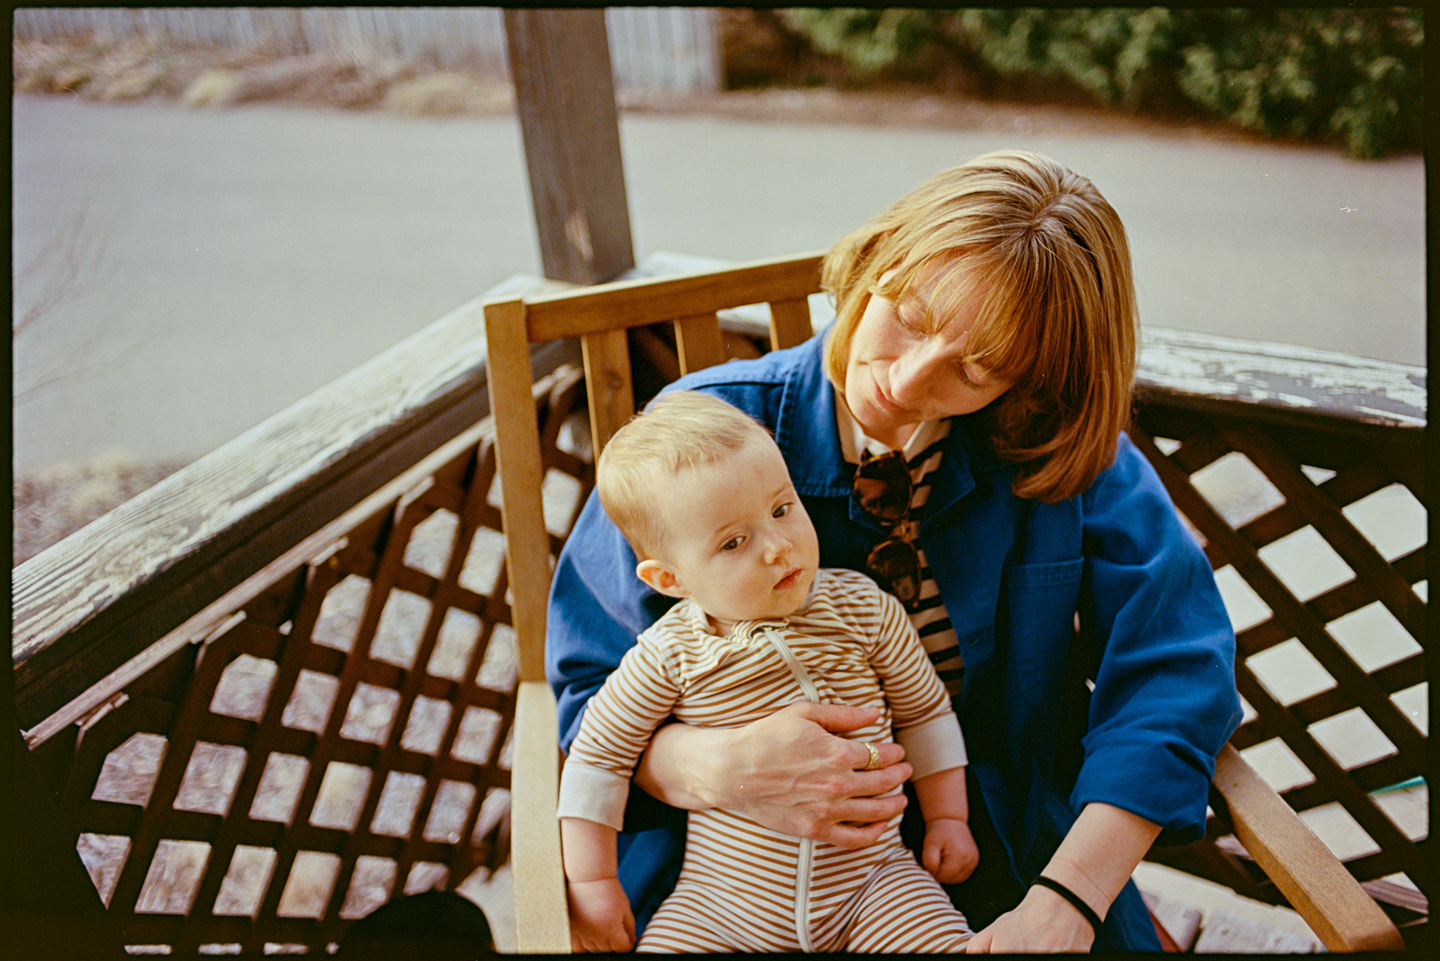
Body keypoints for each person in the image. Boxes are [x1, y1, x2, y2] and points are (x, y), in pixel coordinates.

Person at [548, 148, 1243, 952]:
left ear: (1031, 384)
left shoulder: (1056, 450)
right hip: (732, 874)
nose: (908, 383)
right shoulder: (702, 445)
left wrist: (1069, 900)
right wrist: (717, 767)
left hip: (1010, 856)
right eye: (910, 316)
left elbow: (1178, 667)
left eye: (977, 368)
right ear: (878, 255)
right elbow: (587, 687)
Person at [558, 390, 976, 953]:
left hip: (876, 886)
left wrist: (949, 816)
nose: (778, 547)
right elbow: (595, 760)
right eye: (734, 541)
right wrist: (594, 882)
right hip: (720, 906)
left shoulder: (864, 608)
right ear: (669, 580)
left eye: (782, 509)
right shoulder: (669, 653)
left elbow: (926, 712)